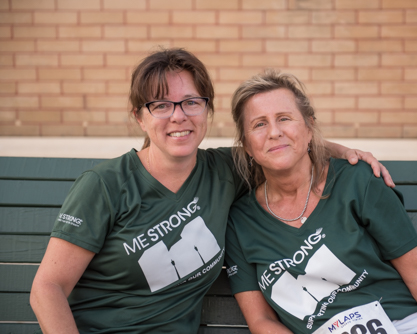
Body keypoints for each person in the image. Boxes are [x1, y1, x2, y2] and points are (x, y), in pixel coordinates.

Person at [29, 48, 392, 334]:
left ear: (207, 110)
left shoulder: (225, 170)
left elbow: (281, 142)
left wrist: (345, 152)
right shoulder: (106, 185)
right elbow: (47, 289)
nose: (178, 116)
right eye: (161, 105)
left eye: (191, 102)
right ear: (139, 116)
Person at [224, 69, 417, 334]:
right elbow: (262, 321)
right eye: (259, 124)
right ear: (247, 145)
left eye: (284, 118)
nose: (274, 132)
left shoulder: (357, 182)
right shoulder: (241, 222)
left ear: (309, 127)